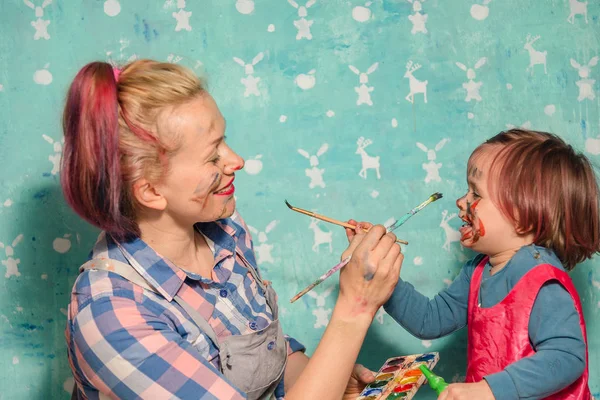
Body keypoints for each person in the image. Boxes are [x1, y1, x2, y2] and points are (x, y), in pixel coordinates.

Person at [61, 59, 404, 400]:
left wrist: (328, 377)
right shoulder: (113, 316)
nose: (236, 160)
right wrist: (355, 308)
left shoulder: (225, 230)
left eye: (224, 139)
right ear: (151, 191)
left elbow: (258, 350)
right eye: (213, 157)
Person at [382, 129, 598, 400]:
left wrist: (490, 390)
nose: (462, 202)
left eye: (476, 194)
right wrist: (382, 278)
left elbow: (566, 358)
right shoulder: (478, 271)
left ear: (523, 214)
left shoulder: (542, 282)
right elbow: (429, 320)